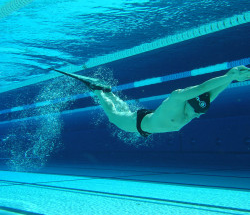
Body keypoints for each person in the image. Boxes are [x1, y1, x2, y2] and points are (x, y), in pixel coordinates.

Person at [50, 66, 250, 137]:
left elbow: (205, 91)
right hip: (141, 124)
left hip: (143, 122)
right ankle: (100, 91)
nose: (197, 115)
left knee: (120, 111)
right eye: (196, 111)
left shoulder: (185, 103)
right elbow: (204, 91)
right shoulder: (186, 107)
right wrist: (230, 76)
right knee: (117, 113)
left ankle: (102, 90)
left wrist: (230, 77)